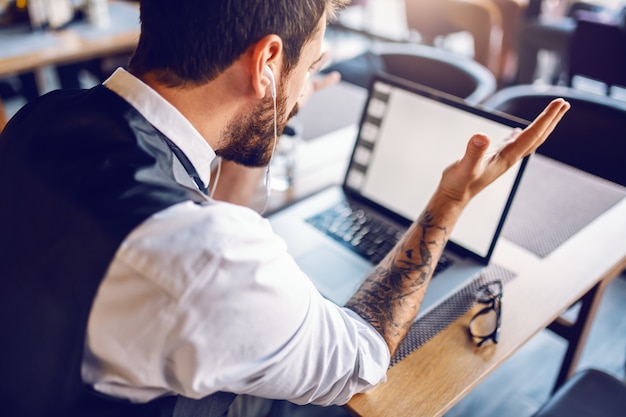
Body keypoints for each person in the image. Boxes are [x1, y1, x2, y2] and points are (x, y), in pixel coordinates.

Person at [0, 1, 570, 416]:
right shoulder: (208, 258)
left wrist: (261, 120)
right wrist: (450, 199)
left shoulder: (43, 115)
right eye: (312, 64)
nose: (304, 89)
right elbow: (362, 356)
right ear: (267, 60)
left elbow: (200, 219)